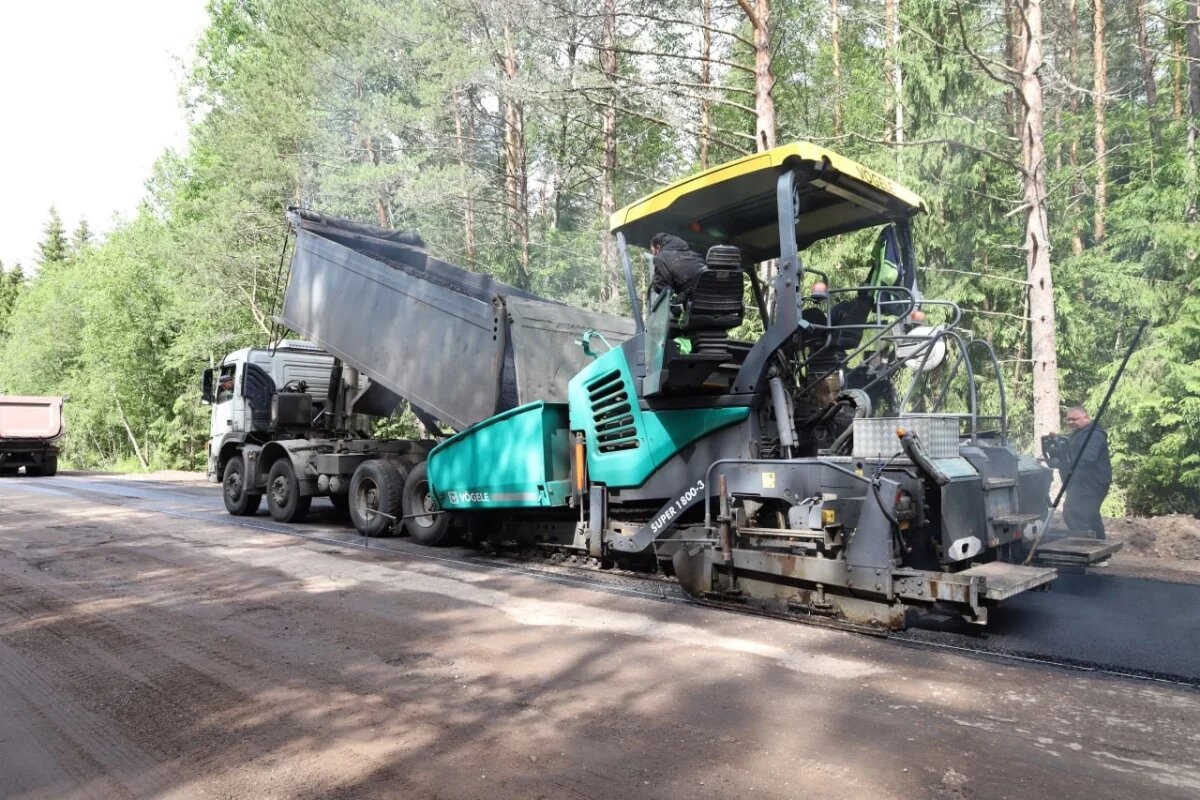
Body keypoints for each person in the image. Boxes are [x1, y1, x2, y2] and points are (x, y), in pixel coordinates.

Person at [1062, 405, 1112, 539]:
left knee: (1076, 512)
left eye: (1074, 419)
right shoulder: (1077, 435)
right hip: (1081, 481)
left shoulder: (1095, 434)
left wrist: (1069, 461)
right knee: (1090, 515)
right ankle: (1098, 550)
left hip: (1094, 482)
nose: (1071, 422)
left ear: (1086, 418)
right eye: (1068, 420)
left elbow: (1088, 458)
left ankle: (1086, 546)